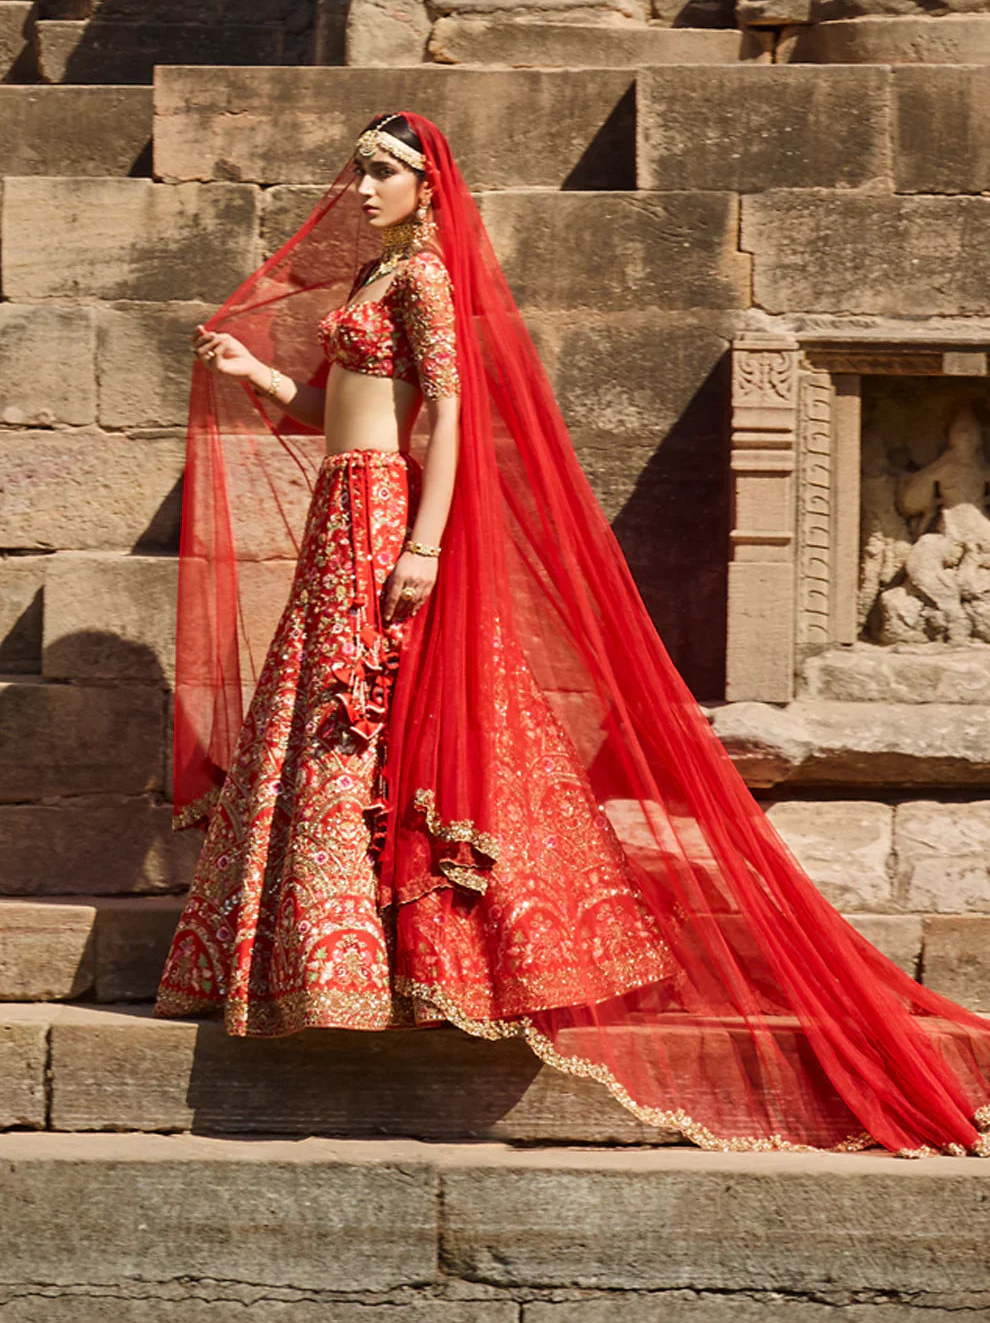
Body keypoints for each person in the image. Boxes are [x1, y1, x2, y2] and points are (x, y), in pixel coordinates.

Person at [157, 111, 990, 1158]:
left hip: (383, 516)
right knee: (335, 721)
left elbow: (448, 415)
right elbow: (336, 407)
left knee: (370, 713)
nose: (361, 186)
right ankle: (333, 962)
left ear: (428, 184)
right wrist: (254, 373)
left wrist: (421, 542)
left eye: (384, 171)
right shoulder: (371, 283)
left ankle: (422, 956)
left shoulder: (424, 283)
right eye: (358, 168)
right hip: (341, 507)